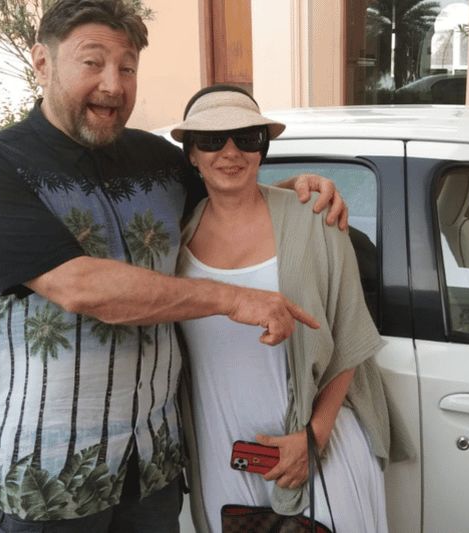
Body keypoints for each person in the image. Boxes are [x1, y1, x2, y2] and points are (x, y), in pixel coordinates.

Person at [0, 1, 347, 531]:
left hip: (153, 464)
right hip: (51, 473)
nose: (113, 85)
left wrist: (296, 191)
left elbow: (228, 205)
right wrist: (234, 300)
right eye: (92, 63)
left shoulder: (159, 160)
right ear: (42, 63)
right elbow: (80, 286)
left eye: (128, 67)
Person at [171, 84, 413, 532]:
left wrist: (313, 438)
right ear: (191, 154)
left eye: (247, 138)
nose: (231, 152)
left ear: (262, 148)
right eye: (212, 139)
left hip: (320, 448)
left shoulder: (316, 219)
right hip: (222, 452)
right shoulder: (175, 240)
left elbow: (350, 337)